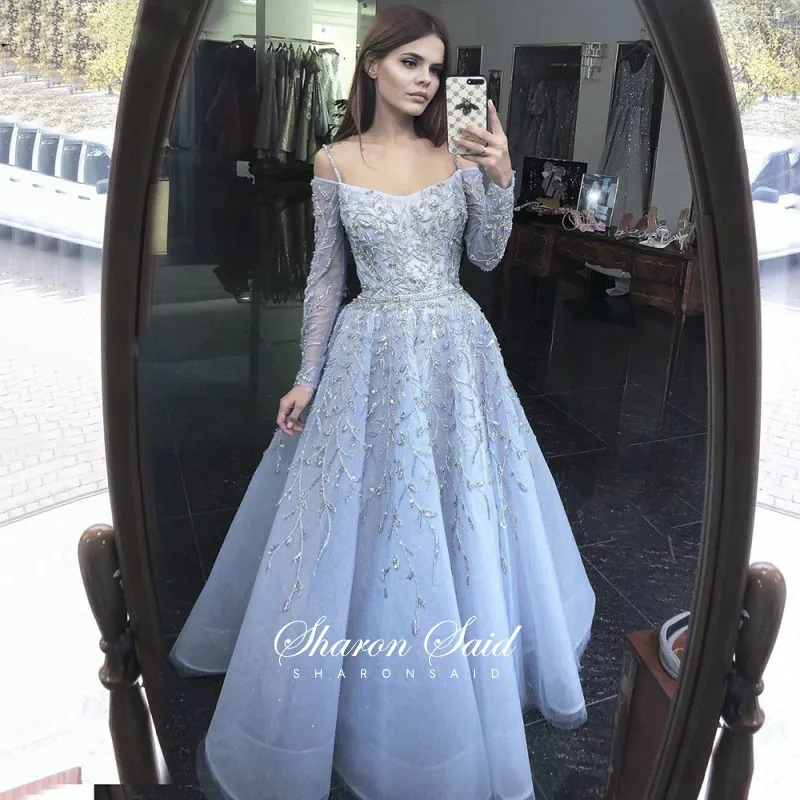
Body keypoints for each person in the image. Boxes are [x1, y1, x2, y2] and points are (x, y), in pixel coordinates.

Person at [168, 6, 596, 800]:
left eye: (435, 67)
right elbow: (326, 276)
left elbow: (486, 255)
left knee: (459, 499)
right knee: (373, 510)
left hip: (456, 350)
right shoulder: (334, 161)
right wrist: (306, 374)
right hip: (370, 352)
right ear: (372, 64)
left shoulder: (459, 151)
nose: (426, 80)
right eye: (410, 63)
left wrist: (501, 177)